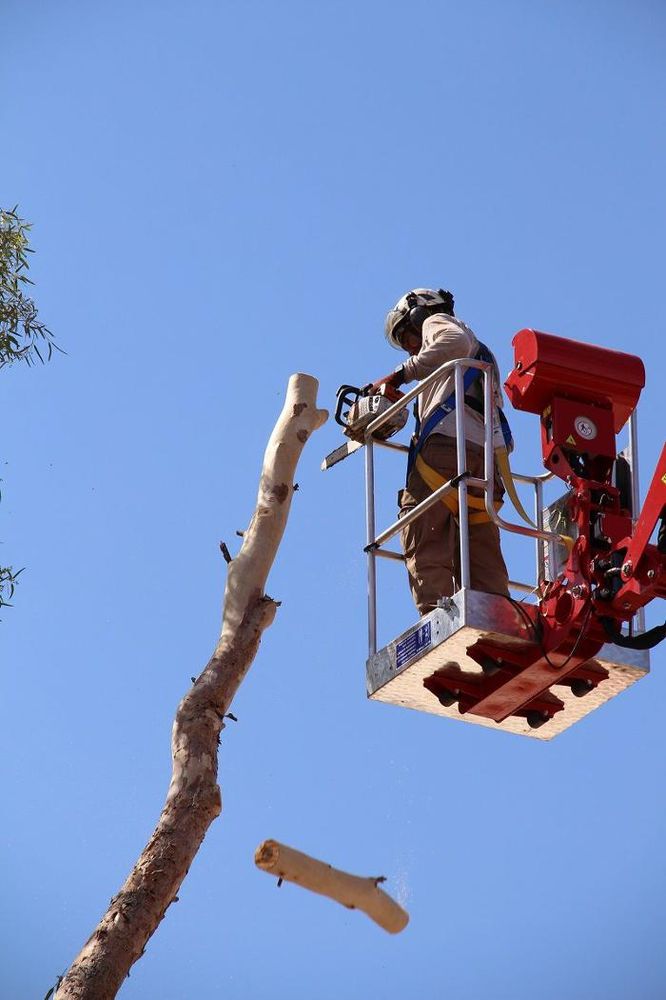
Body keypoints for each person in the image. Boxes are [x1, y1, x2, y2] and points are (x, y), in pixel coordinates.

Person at [370, 288, 511, 616]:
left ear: (419, 314)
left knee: (421, 522)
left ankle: (437, 616)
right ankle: (495, 615)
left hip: (446, 450)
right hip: (485, 461)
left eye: (408, 337)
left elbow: (453, 342)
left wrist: (399, 375)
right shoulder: (477, 355)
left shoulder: (438, 324)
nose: (412, 347)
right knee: (479, 544)